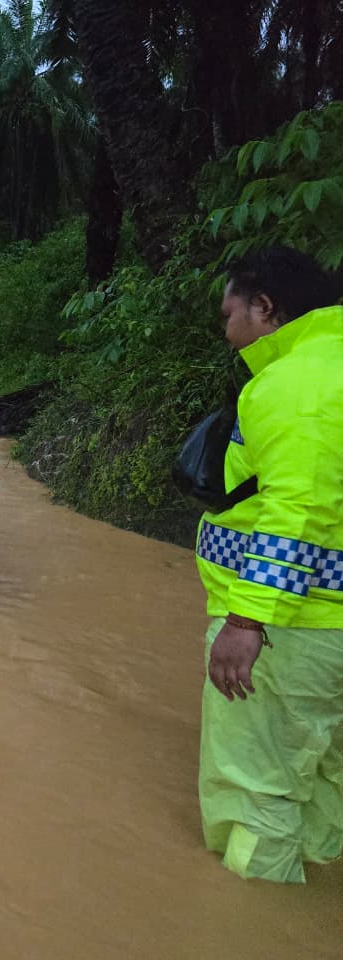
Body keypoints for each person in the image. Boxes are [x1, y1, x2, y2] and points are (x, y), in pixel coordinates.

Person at [193, 246, 343, 883]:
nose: (227, 332)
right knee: (322, 779)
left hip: (293, 629)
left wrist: (247, 620)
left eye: (230, 315)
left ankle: (253, 913)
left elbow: (298, 508)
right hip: (325, 627)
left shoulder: (298, 382)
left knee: (257, 788)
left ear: (264, 307)